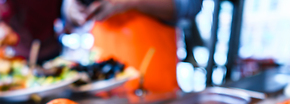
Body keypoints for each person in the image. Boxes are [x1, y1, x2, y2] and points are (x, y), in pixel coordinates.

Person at [64, 0, 203, 92]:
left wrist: (131, 2)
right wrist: (72, 9)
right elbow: (67, 13)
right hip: (102, 84)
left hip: (154, 84)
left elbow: (189, 6)